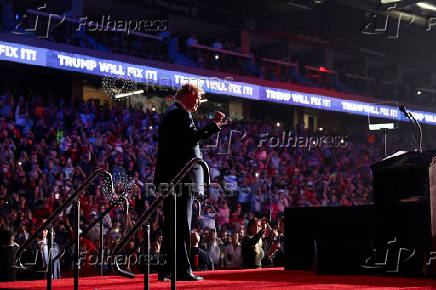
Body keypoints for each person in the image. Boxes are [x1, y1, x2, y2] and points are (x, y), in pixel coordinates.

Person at [154, 83, 225, 281]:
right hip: (179, 178)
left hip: (173, 178)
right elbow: (190, 140)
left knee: (172, 226)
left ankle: (166, 269)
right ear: (185, 95)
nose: (198, 103)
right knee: (181, 226)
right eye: (196, 99)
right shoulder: (179, 114)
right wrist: (213, 126)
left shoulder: (173, 113)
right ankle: (183, 270)